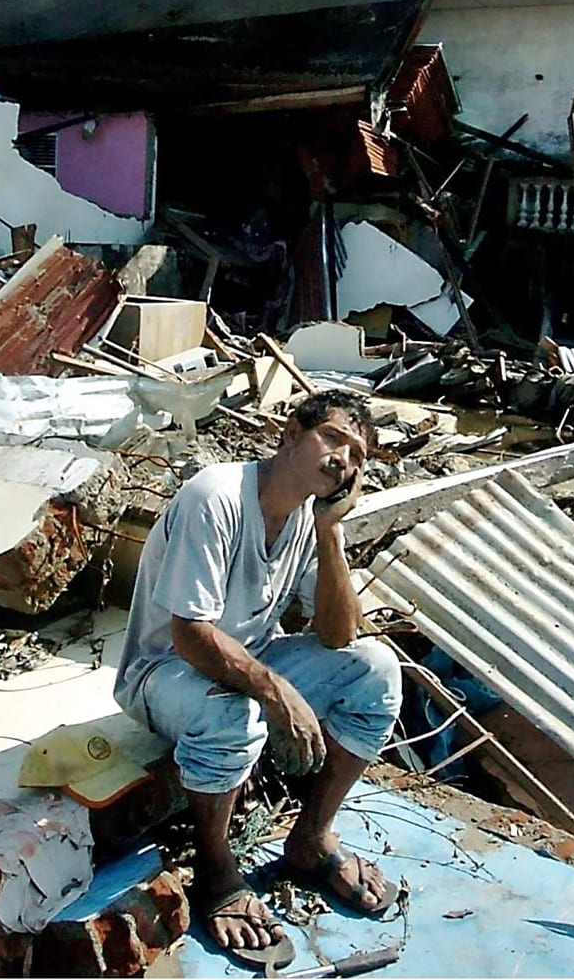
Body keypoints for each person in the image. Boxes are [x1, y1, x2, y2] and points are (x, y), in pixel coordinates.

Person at [113, 390, 404, 969]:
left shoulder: (305, 515)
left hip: (248, 656)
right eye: (332, 439)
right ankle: (218, 873)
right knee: (233, 713)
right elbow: (189, 634)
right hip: (162, 672)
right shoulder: (215, 497)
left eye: (356, 454)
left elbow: (340, 636)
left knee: (377, 670)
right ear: (290, 434)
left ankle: (311, 838)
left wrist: (330, 533)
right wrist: (275, 691)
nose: (342, 460)